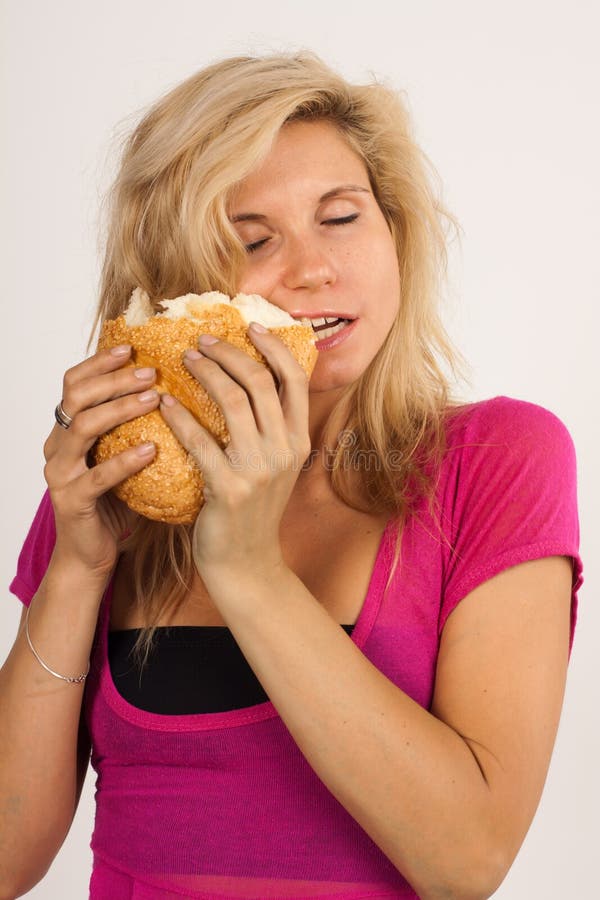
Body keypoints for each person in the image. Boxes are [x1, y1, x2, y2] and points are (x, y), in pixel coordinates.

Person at [0, 51, 582, 900]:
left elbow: (466, 862)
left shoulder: (498, 460)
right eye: (252, 240)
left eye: (341, 218)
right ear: (176, 289)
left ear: (395, 234)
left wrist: (245, 567)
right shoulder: (119, 478)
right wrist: (77, 568)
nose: (312, 268)